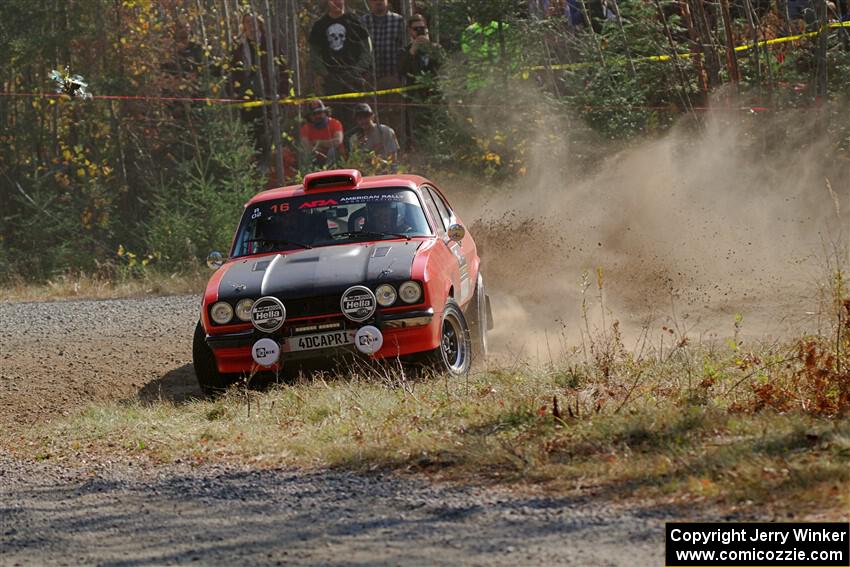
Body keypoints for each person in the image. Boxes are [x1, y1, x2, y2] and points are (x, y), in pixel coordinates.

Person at [308, 0, 372, 129]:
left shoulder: (355, 21)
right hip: (332, 79)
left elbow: (367, 49)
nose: (337, 3)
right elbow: (314, 54)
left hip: (354, 78)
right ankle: (338, 146)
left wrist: (358, 70)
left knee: (357, 115)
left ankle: (357, 146)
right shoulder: (319, 26)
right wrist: (324, 73)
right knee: (334, 116)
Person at [398, 15, 444, 150]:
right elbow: (401, 70)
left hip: (435, 98)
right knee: (417, 135)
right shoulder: (405, 51)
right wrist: (413, 49)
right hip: (415, 99)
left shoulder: (436, 49)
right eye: (416, 29)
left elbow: (444, 66)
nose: (420, 31)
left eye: (422, 28)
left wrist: (430, 47)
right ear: (410, 31)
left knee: (437, 131)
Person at [360, 0, 405, 136]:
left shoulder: (398, 21)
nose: (378, 2)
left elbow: (404, 48)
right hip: (370, 78)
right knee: (373, 114)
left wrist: (399, 73)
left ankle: (397, 147)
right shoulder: (362, 22)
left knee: (395, 113)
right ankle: (376, 149)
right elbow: (358, 49)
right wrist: (363, 72)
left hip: (392, 76)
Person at [299, 99, 345, 168]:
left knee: (332, 151)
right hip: (316, 162)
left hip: (337, 162)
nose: (317, 116)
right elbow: (307, 149)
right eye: (314, 114)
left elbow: (338, 141)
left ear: (325, 112)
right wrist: (321, 148)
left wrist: (319, 143)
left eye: (319, 113)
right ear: (310, 116)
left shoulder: (335, 123)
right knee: (305, 156)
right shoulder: (305, 128)